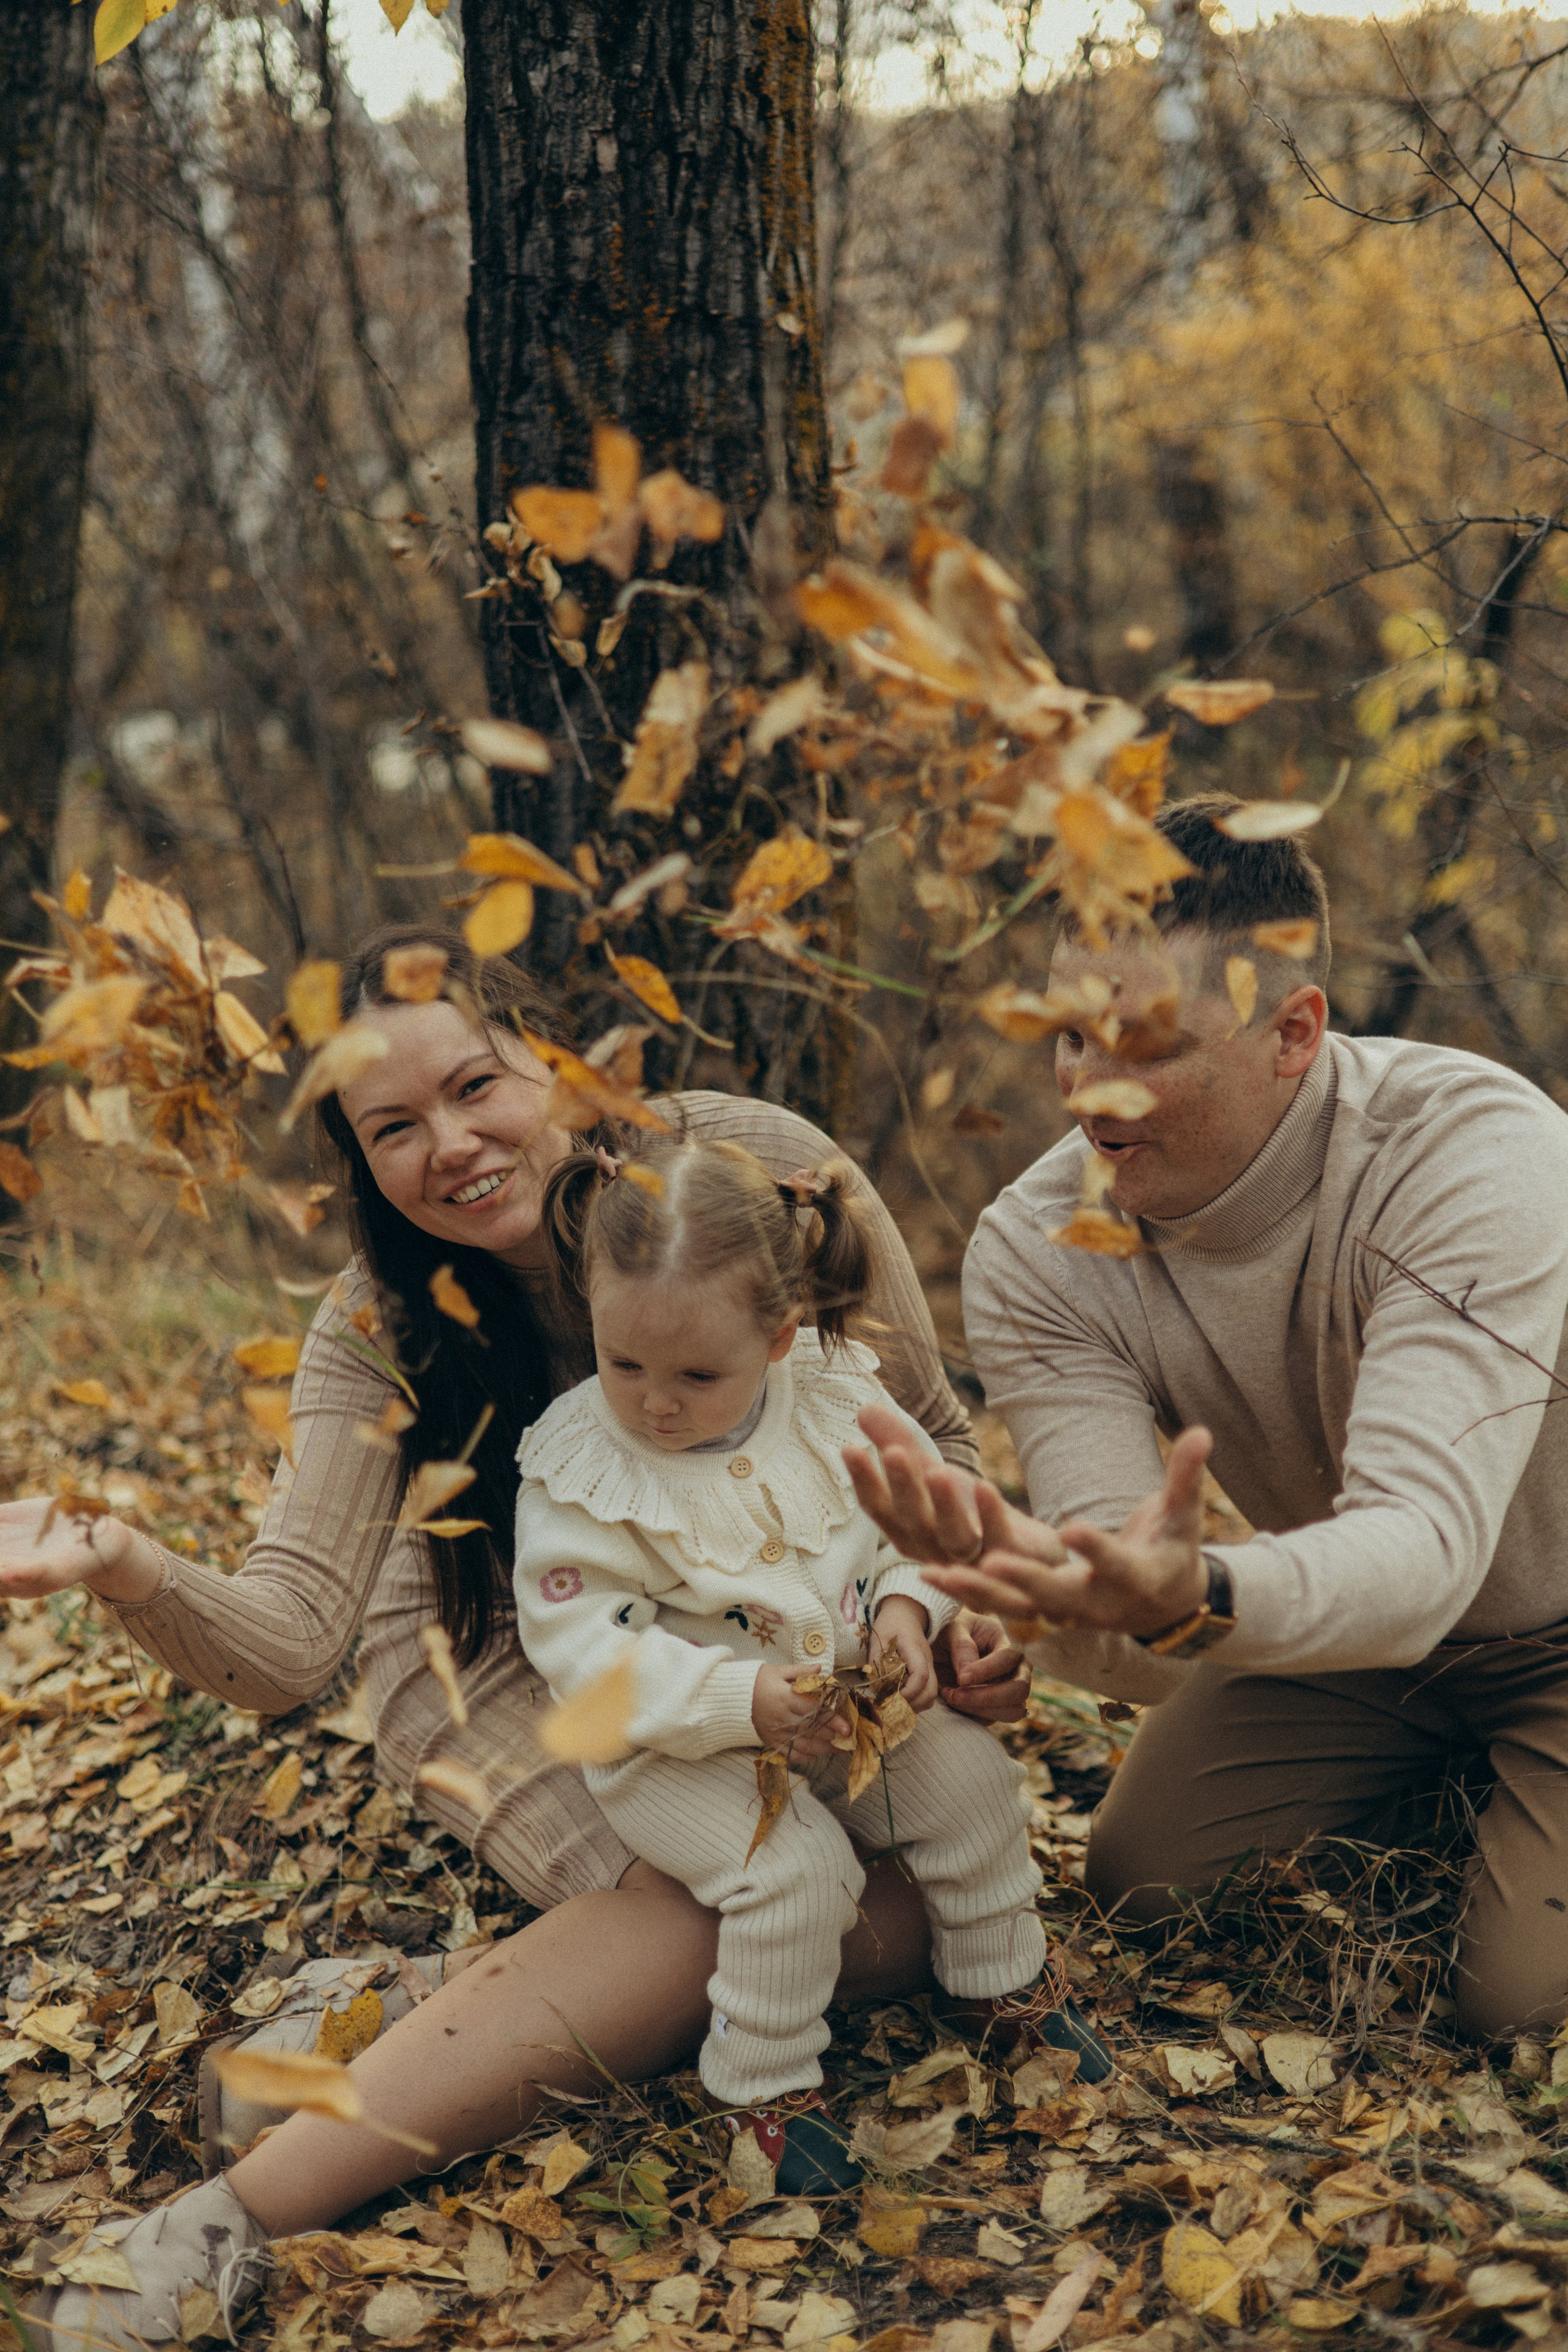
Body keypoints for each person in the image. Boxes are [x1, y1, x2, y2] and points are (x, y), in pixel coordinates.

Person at [6, 925, 1029, 2350]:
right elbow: (294, 1642)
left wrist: (960, 1619)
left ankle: (405, 2010)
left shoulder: (750, 1173)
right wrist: (124, 1564)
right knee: (728, 1907)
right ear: (360, 1161)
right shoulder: (373, 1330)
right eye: (393, 1129)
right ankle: (227, 2216)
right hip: (507, 1654)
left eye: (475, 1086)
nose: (452, 1146)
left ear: (545, 1057)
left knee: (943, 1878)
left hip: (773, 1619)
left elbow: (933, 1449)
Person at [846, 794, 1568, 2046]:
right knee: (1149, 1877)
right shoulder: (1038, 1247)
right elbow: (1142, 1616)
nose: (1085, 1091)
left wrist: (1204, 1597)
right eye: (1067, 1039)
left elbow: (1423, 1548)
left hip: (1529, 1612)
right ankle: (1480, 1791)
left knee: (1523, 2005)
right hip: (1382, 1656)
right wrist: (1047, 1607)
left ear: (1292, 1031)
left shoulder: (1468, 1154)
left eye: (1142, 1046)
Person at [514, 1136, 1096, 2192]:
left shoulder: (834, 1395)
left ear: (780, 1337)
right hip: (678, 1751)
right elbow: (581, 1648)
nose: (655, 1403)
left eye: (698, 1374)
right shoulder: (579, 1468)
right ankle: (766, 2085)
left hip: (850, 1717)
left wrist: (912, 1615)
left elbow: (911, 1527)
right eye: (623, 1363)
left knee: (972, 1780)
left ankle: (998, 1983)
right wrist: (739, 1699)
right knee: (799, 1874)